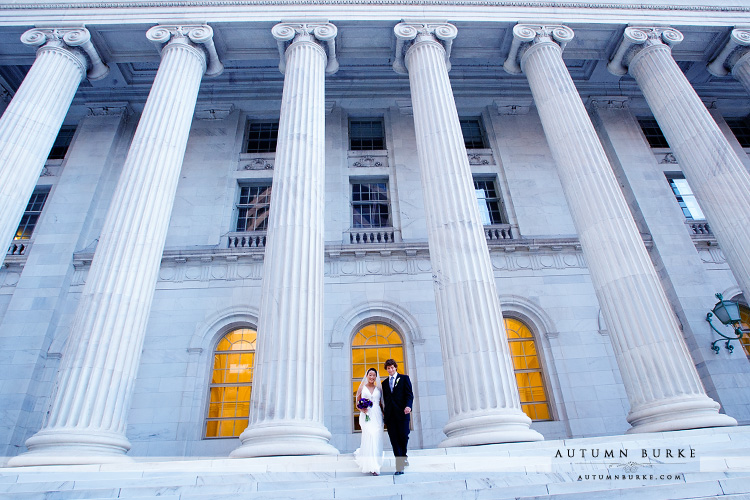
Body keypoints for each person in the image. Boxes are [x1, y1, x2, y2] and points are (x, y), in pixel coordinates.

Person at [381, 358, 413, 475]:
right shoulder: (384, 383)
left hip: (403, 413)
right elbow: (384, 399)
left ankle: (403, 456)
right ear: (387, 369)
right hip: (390, 416)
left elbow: (409, 395)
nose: (390, 369)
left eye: (392, 367)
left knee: (404, 436)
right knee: (394, 440)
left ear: (395, 367)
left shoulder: (404, 378)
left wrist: (408, 406)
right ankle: (399, 466)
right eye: (388, 368)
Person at [353, 367, 384, 475]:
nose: (372, 377)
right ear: (367, 376)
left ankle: (375, 463)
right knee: (369, 435)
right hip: (366, 414)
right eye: (370, 375)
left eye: (373, 375)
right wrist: (362, 409)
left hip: (377, 415)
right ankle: (371, 465)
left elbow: (380, 403)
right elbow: (357, 403)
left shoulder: (378, 389)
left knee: (376, 437)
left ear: (376, 377)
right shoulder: (362, 387)